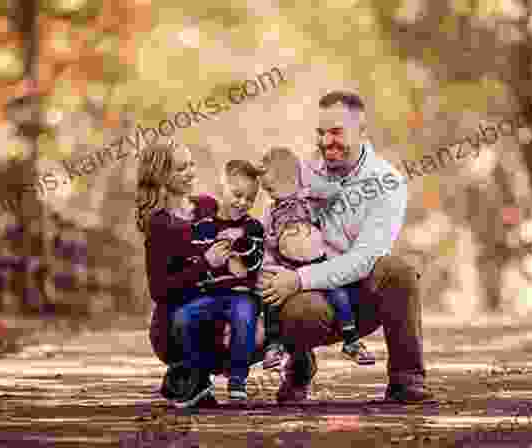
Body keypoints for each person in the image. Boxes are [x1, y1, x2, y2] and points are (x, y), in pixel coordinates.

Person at [257, 91, 432, 404]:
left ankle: (408, 379)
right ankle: (299, 367)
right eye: (320, 133)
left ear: (362, 132)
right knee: (299, 313)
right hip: (312, 295)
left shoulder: (387, 181)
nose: (326, 142)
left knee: (398, 271)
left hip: (359, 293)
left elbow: (364, 260)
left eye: (336, 132)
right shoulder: (303, 172)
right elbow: (276, 226)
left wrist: (298, 279)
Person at [137, 140, 264, 409]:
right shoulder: (159, 224)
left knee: (257, 317)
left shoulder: (207, 205)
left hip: (222, 309)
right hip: (178, 321)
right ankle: (191, 372)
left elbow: (243, 226)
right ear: (162, 175)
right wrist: (205, 263)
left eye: (192, 164)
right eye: (182, 168)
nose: (192, 172)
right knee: (192, 320)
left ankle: (287, 366)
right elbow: (160, 291)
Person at [258, 146, 375, 369]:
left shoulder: (308, 202)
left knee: (338, 293)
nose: (269, 194)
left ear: (292, 179)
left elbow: (336, 192)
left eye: (271, 188)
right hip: (287, 265)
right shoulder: (270, 211)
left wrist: (309, 188)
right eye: (267, 190)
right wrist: (270, 262)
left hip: (318, 262)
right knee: (270, 299)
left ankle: (351, 339)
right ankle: (274, 345)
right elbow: (267, 240)